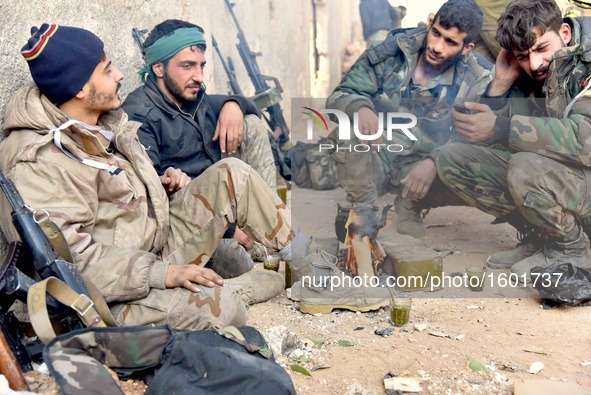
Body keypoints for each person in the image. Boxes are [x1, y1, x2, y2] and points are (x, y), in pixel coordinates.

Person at [0, 23, 378, 331]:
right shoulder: (38, 161)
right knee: (222, 307)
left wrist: (154, 189)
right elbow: (74, 267)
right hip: (108, 289)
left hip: (151, 244)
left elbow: (113, 197)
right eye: (106, 69)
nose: (119, 75)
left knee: (233, 173)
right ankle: (237, 287)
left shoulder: (96, 123)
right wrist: (165, 273)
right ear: (81, 87)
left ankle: (315, 273)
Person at [437, 0, 591, 283]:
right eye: (522, 56)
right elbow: (478, 141)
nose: (534, 64)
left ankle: (574, 250)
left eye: (542, 49)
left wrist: (502, 128)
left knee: (525, 167)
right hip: (569, 180)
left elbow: (586, 140)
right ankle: (546, 236)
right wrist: (500, 84)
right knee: (454, 158)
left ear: (565, 33)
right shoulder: (530, 72)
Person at [123, 20, 278, 279]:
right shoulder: (140, 114)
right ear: (159, 68)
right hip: (188, 221)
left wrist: (233, 105)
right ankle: (253, 241)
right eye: (187, 66)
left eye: (201, 66)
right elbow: (154, 198)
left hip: (223, 205)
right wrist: (229, 231)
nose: (198, 76)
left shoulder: (195, 97)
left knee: (250, 124)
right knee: (238, 264)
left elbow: (252, 105)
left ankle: (267, 227)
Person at [326, 0, 492, 238]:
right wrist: (361, 108)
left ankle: (411, 204)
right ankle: (363, 208)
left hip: (430, 159)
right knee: (346, 133)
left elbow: (476, 138)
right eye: (436, 33)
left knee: (479, 166)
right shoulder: (392, 51)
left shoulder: (477, 77)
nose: (437, 46)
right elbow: (341, 95)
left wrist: (436, 160)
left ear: (466, 48)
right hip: (382, 149)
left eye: (450, 42)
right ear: (430, 21)